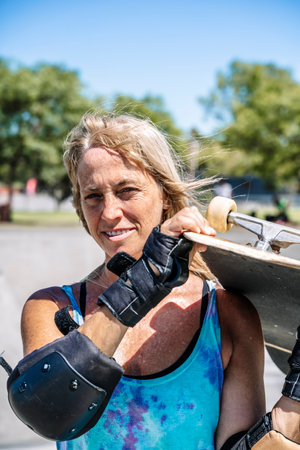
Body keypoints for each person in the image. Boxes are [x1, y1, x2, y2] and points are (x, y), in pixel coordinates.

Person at [7, 114, 300, 449]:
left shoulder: (226, 314)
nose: (109, 212)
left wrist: (296, 399)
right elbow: (48, 411)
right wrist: (142, 282)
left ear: (164, 195)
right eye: (93, 196)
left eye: (126, 190)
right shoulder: (51, 307)